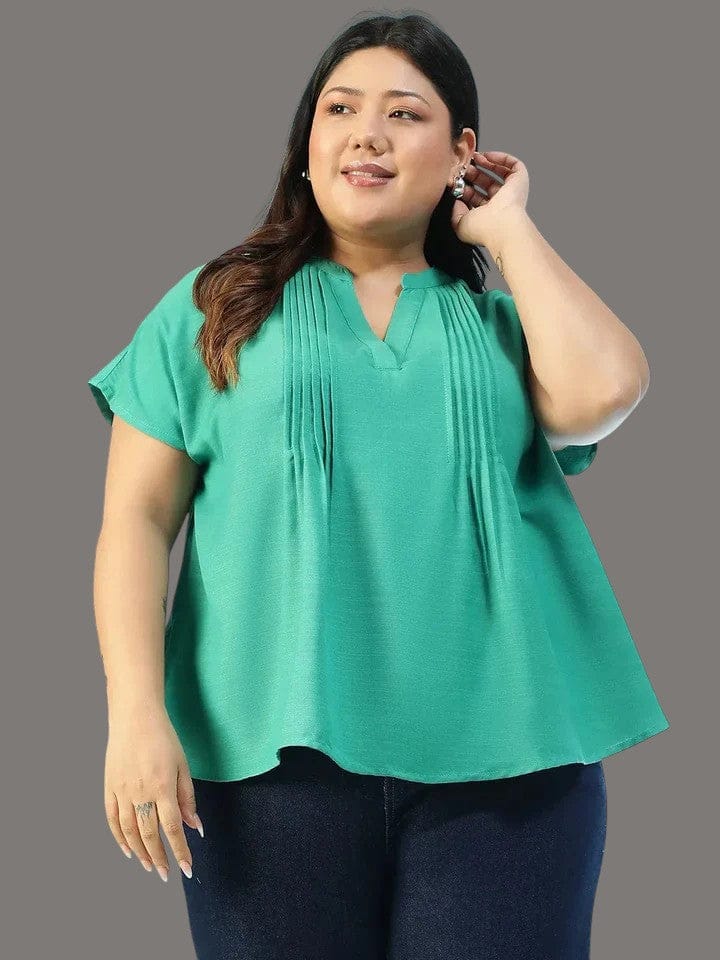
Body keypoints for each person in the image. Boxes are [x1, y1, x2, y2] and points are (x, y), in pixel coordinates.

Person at [87, 12, 669, 959]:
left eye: (405, 113)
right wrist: (135, 716)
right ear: (306, 146)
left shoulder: (506, 328)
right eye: (340, 109)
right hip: (264, 768)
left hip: (512, 772)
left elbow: (608, 391)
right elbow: (136, 522)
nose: (368, 134)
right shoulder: (212, 310)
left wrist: (508, 227)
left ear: (462, 151)